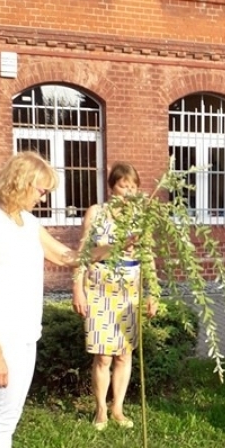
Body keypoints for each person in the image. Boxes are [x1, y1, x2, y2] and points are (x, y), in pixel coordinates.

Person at [0, 151, 117, 448]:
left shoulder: (27, 222)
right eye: (41, 188)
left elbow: (69, 257)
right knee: (0, 425)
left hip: (27, 334)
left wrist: (115, 248)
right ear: (21, 182)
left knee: (10, 421)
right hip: (5, 340)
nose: (43, 197)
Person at [72, 162, 157, 430]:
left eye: (133, 186)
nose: (128, 191)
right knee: (103, 355)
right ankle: (100, 409)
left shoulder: (141, 216)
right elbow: (83, 251)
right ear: (112, 187)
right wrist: (78, 288)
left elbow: (148, 256)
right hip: (100, 285)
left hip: (129, 288)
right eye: (123, 185)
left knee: (123, 353)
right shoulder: (97, 213)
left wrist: (152, 292)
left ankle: (117, 407)